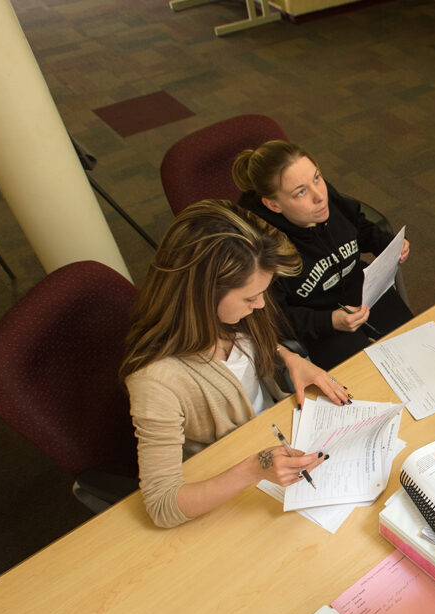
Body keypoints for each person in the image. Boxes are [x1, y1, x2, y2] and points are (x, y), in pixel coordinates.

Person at [121, 200, 351, 529]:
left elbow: (246, 352)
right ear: (202, 295)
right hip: (233, 478)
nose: (259, 306)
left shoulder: (229, 318)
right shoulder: (155, 381)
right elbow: (162, 505)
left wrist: (288, 356)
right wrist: (254, 468)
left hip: (273, 439)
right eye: (249, 298)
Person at [233, 140, 413, 370]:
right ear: (274, 205)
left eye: (317, 178)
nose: (319, 195)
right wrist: (329, 321)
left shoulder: (323, 199)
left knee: (418, 347)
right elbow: (274, 316)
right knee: (365, 379)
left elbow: (358, 225)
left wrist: (388, 245)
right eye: (300, 192)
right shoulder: (261, 250)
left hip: (365, 292)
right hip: (318, 324)